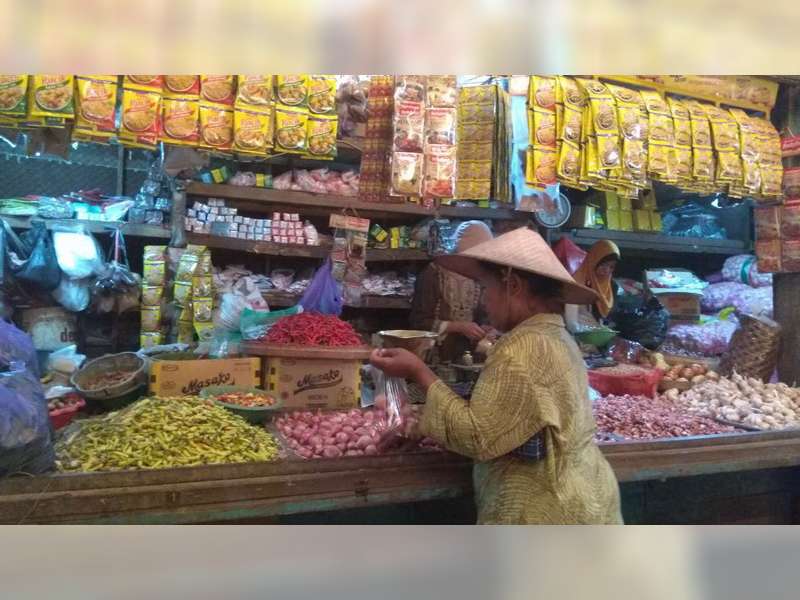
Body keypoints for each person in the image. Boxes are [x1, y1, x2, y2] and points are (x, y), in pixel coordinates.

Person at [371, 227, 622, 524]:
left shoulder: (523, 347)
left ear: (513, 286)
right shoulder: (555, 335)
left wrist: (418, 371)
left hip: (548, 508)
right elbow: (510, 414)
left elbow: (477, 435)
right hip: (585, 495)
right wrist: (423, 425)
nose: (485, 302)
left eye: (487, 288)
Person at [409, 220, 494, 363]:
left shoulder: (480, 277)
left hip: (470, 356)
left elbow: (483, 316)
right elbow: (418, 322)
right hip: (436, 354)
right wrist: (457, 327)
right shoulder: (433, 273)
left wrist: (486, 329)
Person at [564, 239, 620, 333]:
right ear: (593, 261)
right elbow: (571, 324)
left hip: (599, 336)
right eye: (603, 265)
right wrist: (588, 332)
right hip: (578, 337)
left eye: (611, 267)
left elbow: (606, 319)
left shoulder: (612, 286)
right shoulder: (577, 284)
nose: (607, 271)